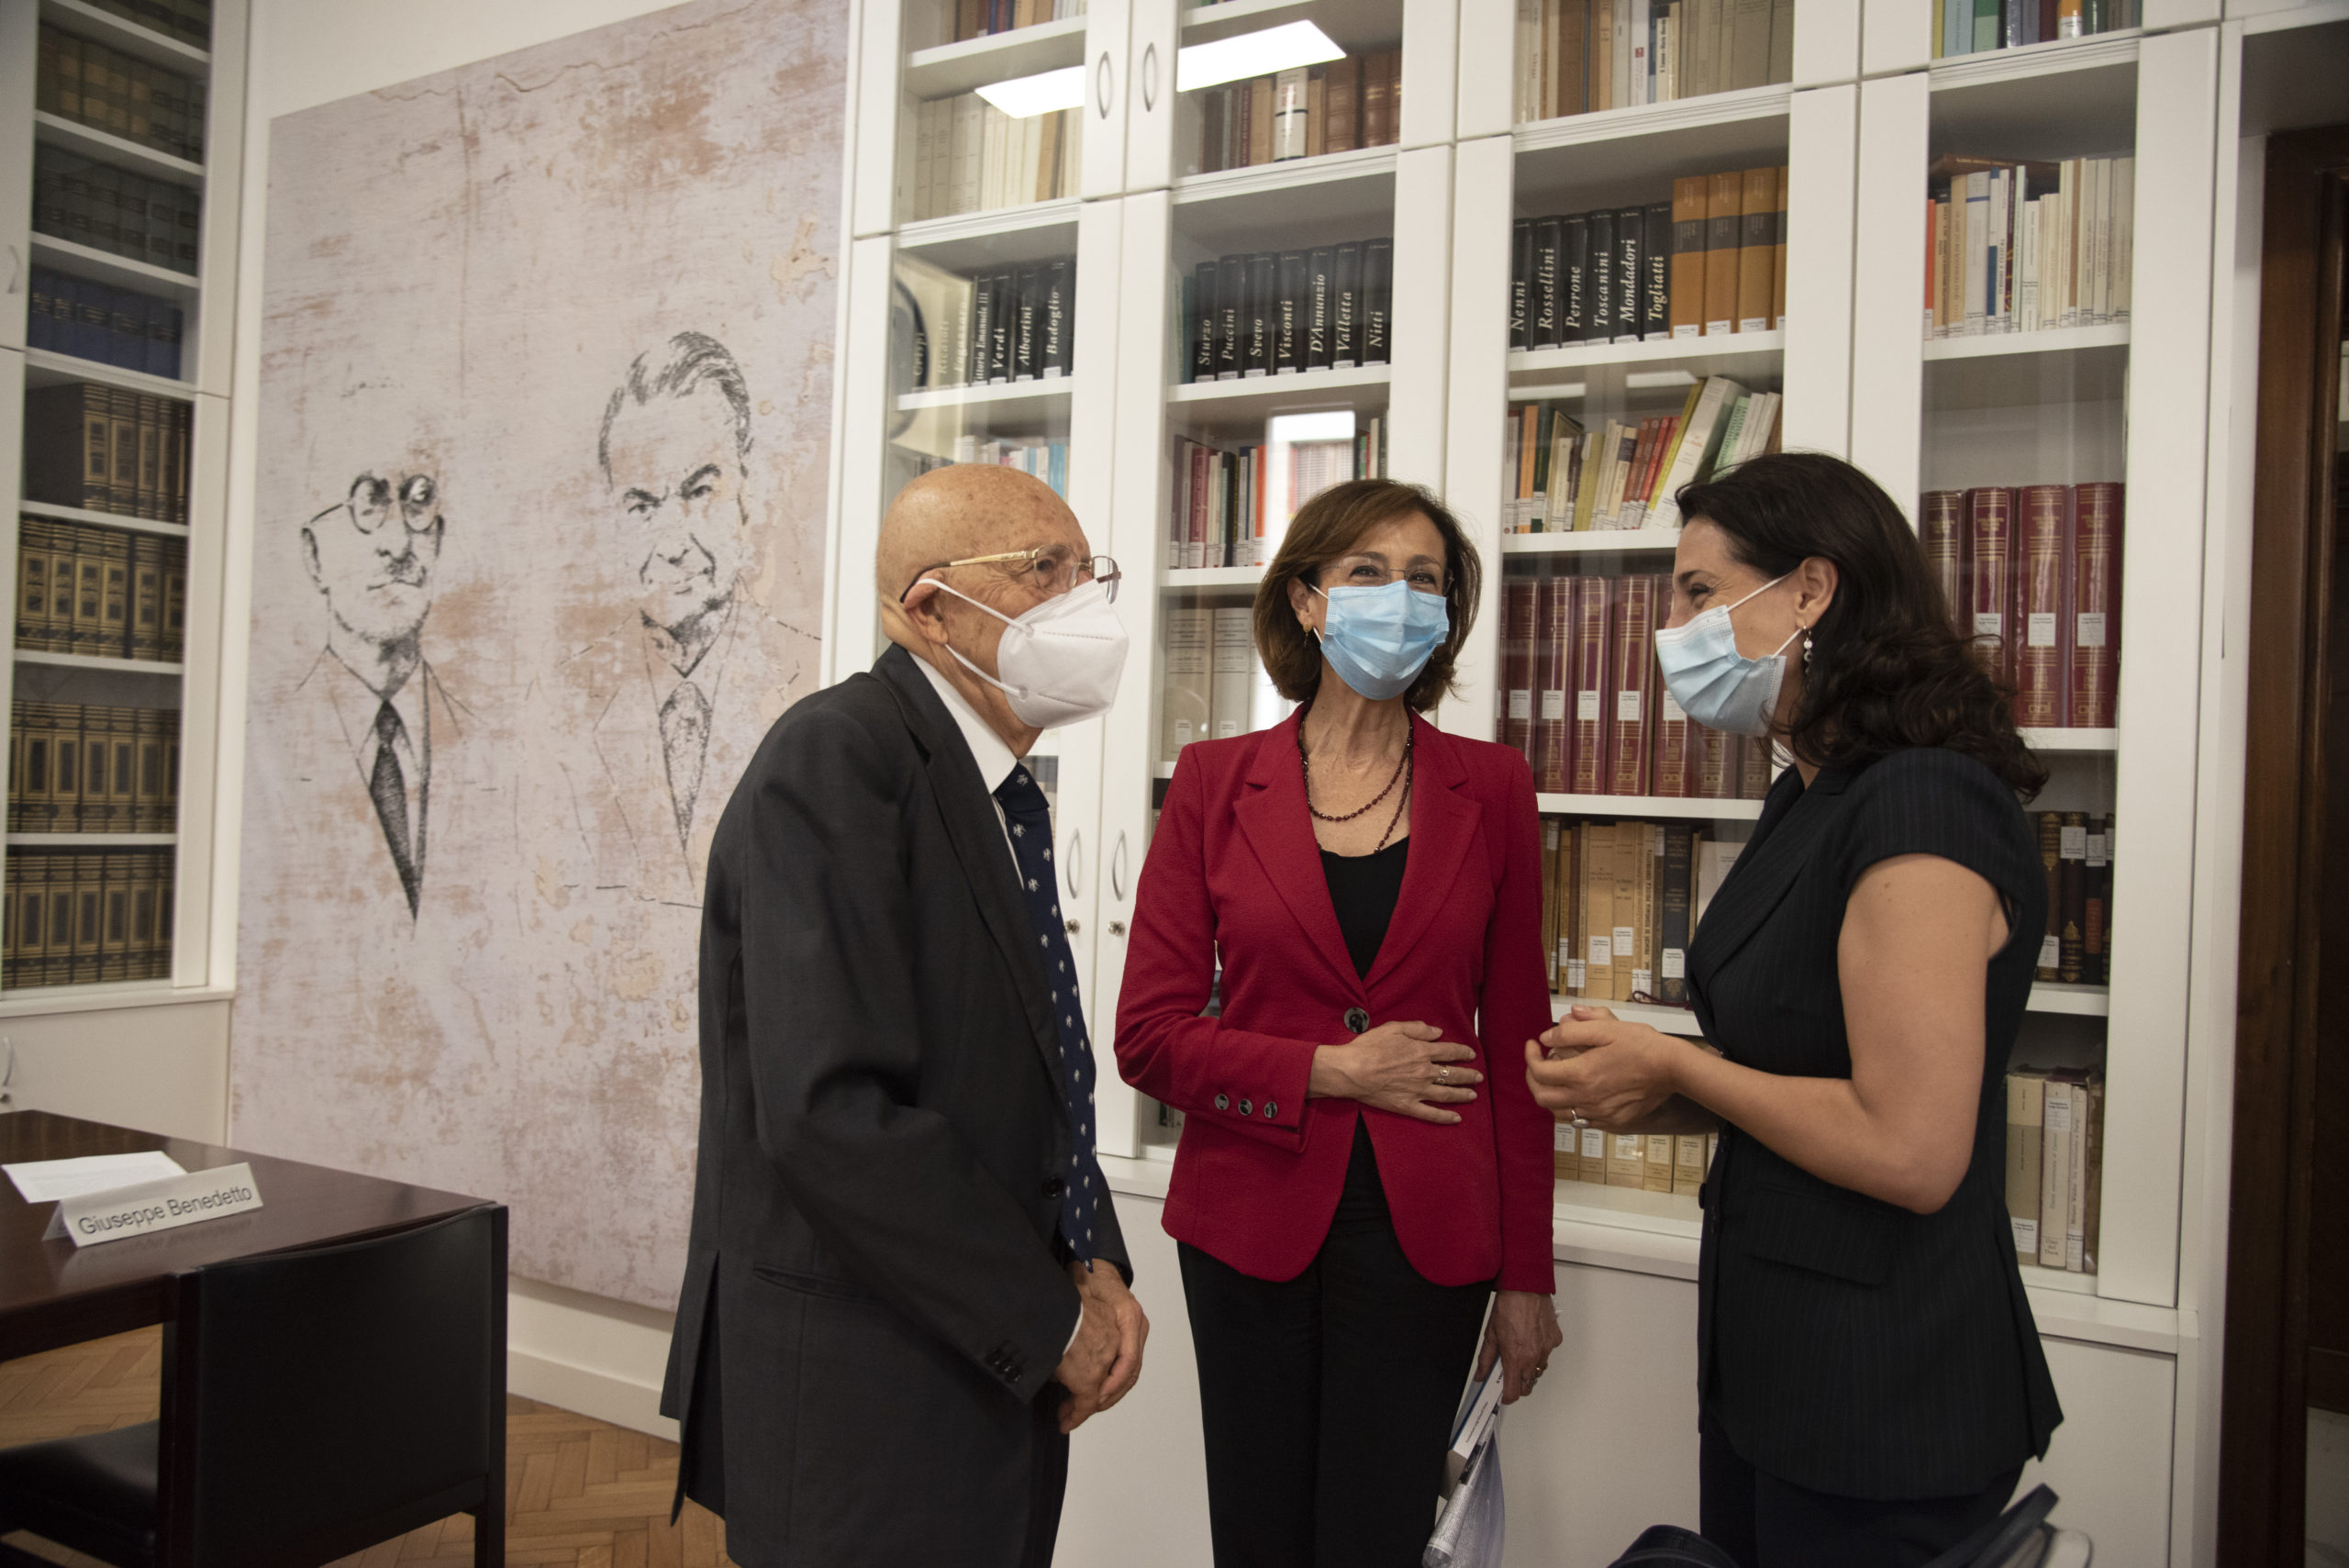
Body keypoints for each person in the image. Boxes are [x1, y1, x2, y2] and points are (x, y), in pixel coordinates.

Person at [1524, 452, 2064, 1568]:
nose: (1675, 630)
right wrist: (1645, 1084)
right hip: (1777, 1368)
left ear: (1811, 589)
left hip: (1885, 1388)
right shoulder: (1811, 791)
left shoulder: (1922, 797)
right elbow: (1796, 1070)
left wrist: (1679, 1068)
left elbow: (1909, 1148)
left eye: (1699, 592)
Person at [660, 463, 1149, 1568]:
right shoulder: (835, 756)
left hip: (989, 1370)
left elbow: (1034, 1073)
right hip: (869, 1391)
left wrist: (1096, 1261)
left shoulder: (999, 789)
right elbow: (832, 1112)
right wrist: (1053, 1320)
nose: (1082, 601)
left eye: (1090, 572)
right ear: (930, 608)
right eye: (1045, 570)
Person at [1116, 478, 1563, 1568]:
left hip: (1429, 1235)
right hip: (1247, 1221)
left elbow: (1520, 1049)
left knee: (1377, 1535)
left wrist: (1527, 1274)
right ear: (1307, 599)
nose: (1399, 597)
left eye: (1425, 579)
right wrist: (1330, 1068)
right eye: (1368, 571)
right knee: (1259, 1534)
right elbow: (1148, 1035)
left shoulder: (1493, 786)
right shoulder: (1213, 782)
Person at [542, 331, 816, 906]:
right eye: (642, 505)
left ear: (747, 490)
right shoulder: (557, 705)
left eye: (699, 491)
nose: (672, 544)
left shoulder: (819, 674)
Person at [289, 456, 470, 919]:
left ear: (438, 539)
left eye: (419, 504)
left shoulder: (494, 741)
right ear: (314, 556)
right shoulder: (266, 746)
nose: (398, 544)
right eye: (369, 506)